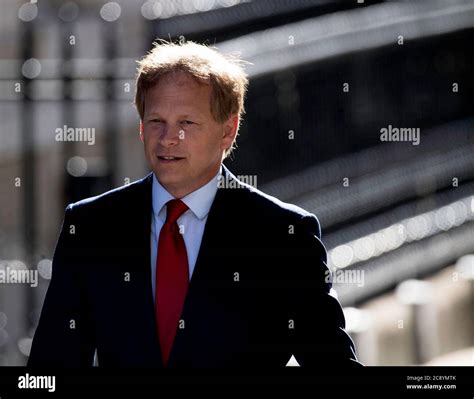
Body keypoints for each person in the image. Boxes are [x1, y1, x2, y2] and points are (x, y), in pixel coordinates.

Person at [28, 41, 360, 368]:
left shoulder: (284, 236)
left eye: (186, 123)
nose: (168, 138)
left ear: (228, 132)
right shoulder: (90, 227)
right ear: (142, 128)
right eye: (156, 121)